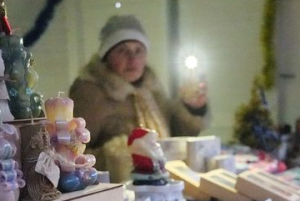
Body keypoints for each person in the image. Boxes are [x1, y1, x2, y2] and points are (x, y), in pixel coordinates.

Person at [69, 15, 209, 182]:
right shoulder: (90, 93)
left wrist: (191, 107)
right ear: (106, 56)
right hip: (119, 193)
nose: (133, 59)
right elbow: (70, 155)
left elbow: (174, 137)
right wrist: (113, 157)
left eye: (138, 50)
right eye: (122, 51)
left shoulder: (151, 88)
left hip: (164, 183)